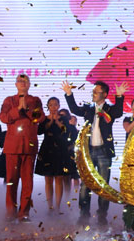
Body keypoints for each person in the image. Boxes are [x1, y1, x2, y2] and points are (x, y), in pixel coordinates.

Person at [63, 79, 128, 227]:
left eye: (96, 92)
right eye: (92, 92)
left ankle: (102, 216)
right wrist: (69, 94)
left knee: (103, 185)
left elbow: (118, 112)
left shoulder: (109, 109)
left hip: (104, 152)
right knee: (85, 185)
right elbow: (75, 109)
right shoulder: (88, 108)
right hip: (89, 152)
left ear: (104, 94)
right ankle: (84, 215)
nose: (93, 94)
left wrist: (119, 96)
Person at [0, 74, 45, 222]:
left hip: (29, 146)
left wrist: (27, 109)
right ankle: (10, 212)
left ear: (29, 84)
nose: (23, 83)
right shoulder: (9, 100)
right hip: (13, 146)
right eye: (20, 81)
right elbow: (3, 117)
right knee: (11, 180)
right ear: (16, 84)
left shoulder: (35, 100)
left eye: (25, 81)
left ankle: (24, 213)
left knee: (27, 182)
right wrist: (18, 108)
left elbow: (40, 118)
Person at [35, 97, 73, 212]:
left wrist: (57, 121)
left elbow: (66, 131)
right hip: (47, 149)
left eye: (55, 104)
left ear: (59, 106)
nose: (53, 107)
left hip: (60, 149)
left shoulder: (64, 119)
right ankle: (50, 206)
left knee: (59, 178)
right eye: (51, 105)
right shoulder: (44, 119)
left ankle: (58, 206)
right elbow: (39, 131)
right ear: (48, 106)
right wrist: (50, 121)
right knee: (48, 179)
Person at [59, 108, 80, 194]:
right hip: (60, 155)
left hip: (71, 155)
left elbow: (75, 142)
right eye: (61, 115)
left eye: (64, 116)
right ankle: (65, 195)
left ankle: (75, 194)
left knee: (74, 176)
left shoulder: (73, 129)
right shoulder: (57, 127)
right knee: (62, 177)